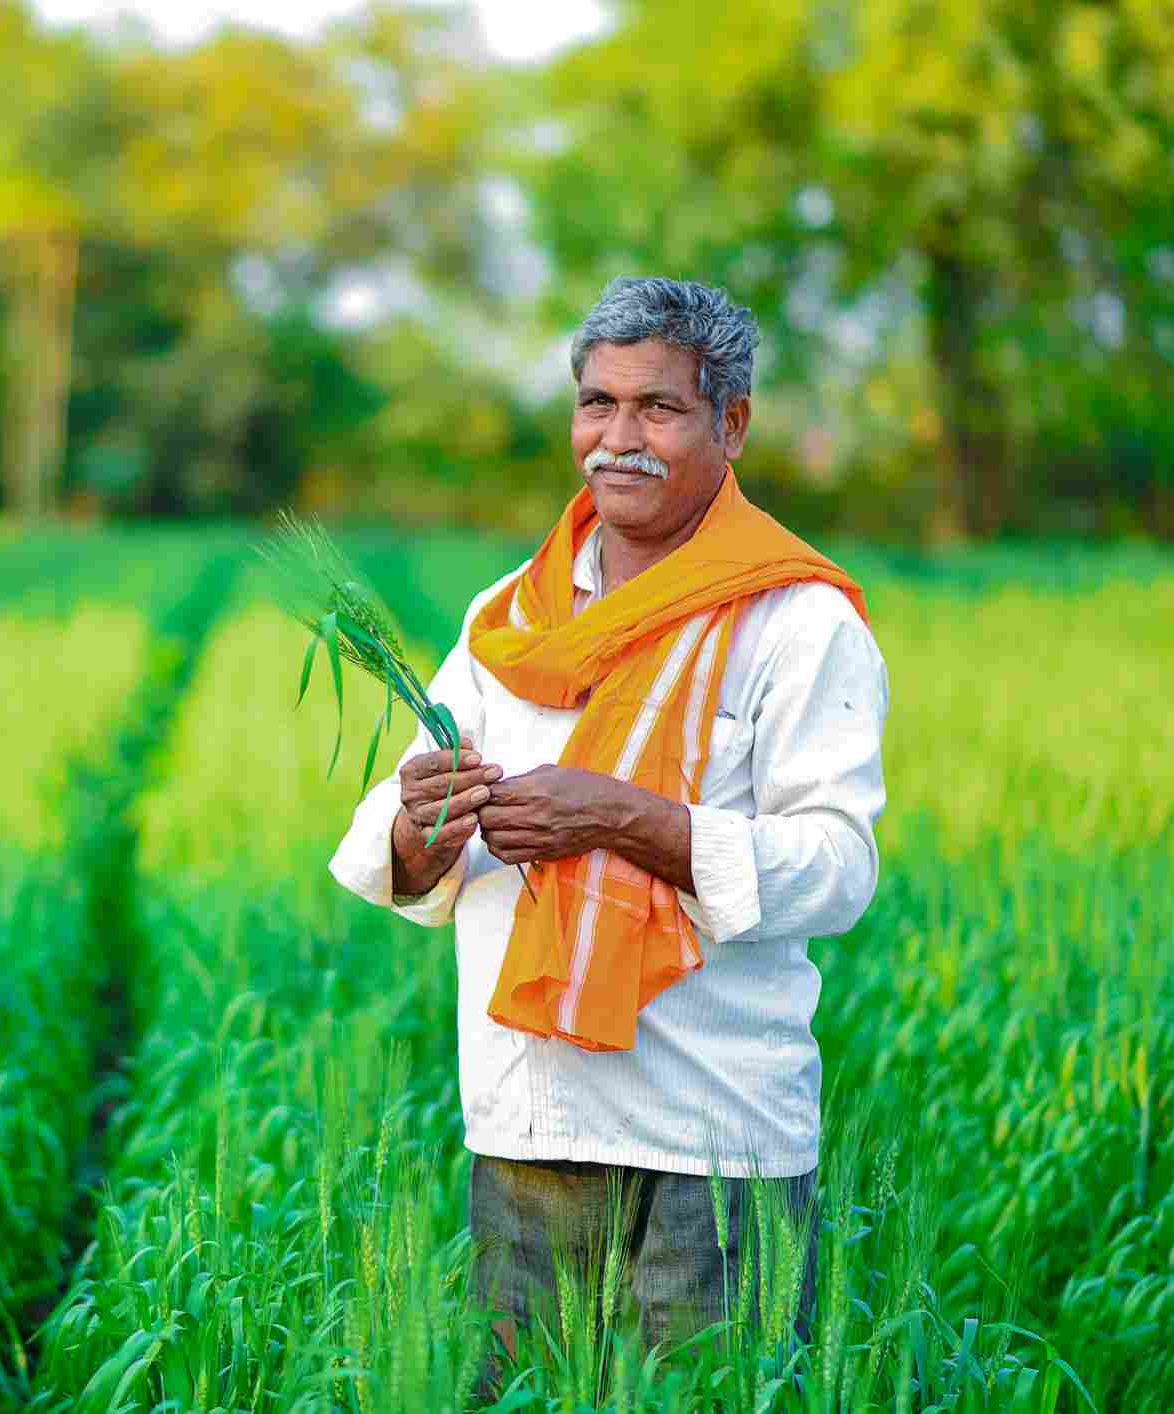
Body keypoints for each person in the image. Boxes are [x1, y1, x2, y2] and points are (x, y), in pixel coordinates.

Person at [328, 276, 890, 1386]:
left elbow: (840, 868)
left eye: (657, 409)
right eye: (596, 404)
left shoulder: (796, 620)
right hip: (529, 1120)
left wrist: (637, 823)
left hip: (714, 1130)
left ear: (730, 425)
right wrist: (420, 828)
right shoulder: (511, 614)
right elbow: (390, 828)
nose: (616, 439)